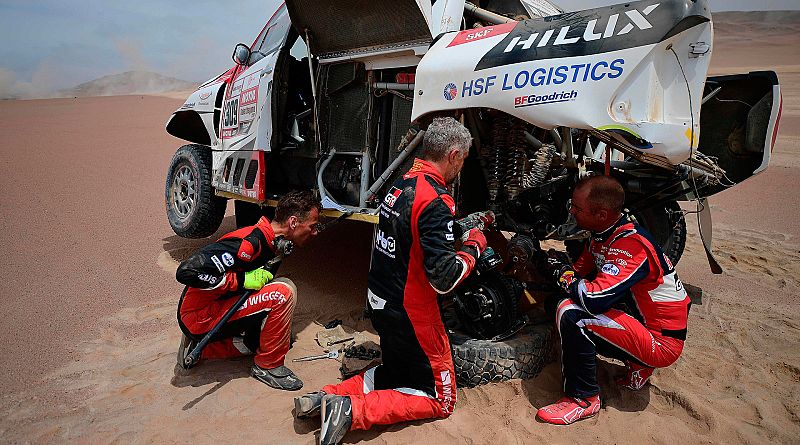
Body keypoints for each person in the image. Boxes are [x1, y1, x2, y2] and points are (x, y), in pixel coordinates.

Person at [292, 117, 487, 444]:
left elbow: (411, 234)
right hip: (413, 310)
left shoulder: (400, 185)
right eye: (463, 160)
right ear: (453, 155)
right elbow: (443, 278)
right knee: (441, 398)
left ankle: (325, 396)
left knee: (397, 373)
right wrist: (474, 246)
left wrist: (456, 226)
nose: (460, 168)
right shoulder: (437, 200)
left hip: (381, 300)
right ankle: (349, 411)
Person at [537, 175, 691, 425]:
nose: (572, 212)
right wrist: (556, 267)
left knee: (570, 313)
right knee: (559, 300)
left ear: (601, 214)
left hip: (662, 344)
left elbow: (591, 298)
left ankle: (583, 399)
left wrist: (561, 273)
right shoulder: (603, 234)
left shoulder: (631, 245)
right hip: (648, 327)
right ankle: (637, 363)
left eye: (577, 208)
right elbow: (579, 273)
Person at [175, 190, 322, 391]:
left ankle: (206, 349)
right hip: (198, 317)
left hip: (218, 305)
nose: (315, 232)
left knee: (269, 340)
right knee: (281, 293)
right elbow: (186, 272)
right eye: (312, 227)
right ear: (293, 222)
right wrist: (241, 280)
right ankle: (267, 367)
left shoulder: (271, 241)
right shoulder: (249, 243)